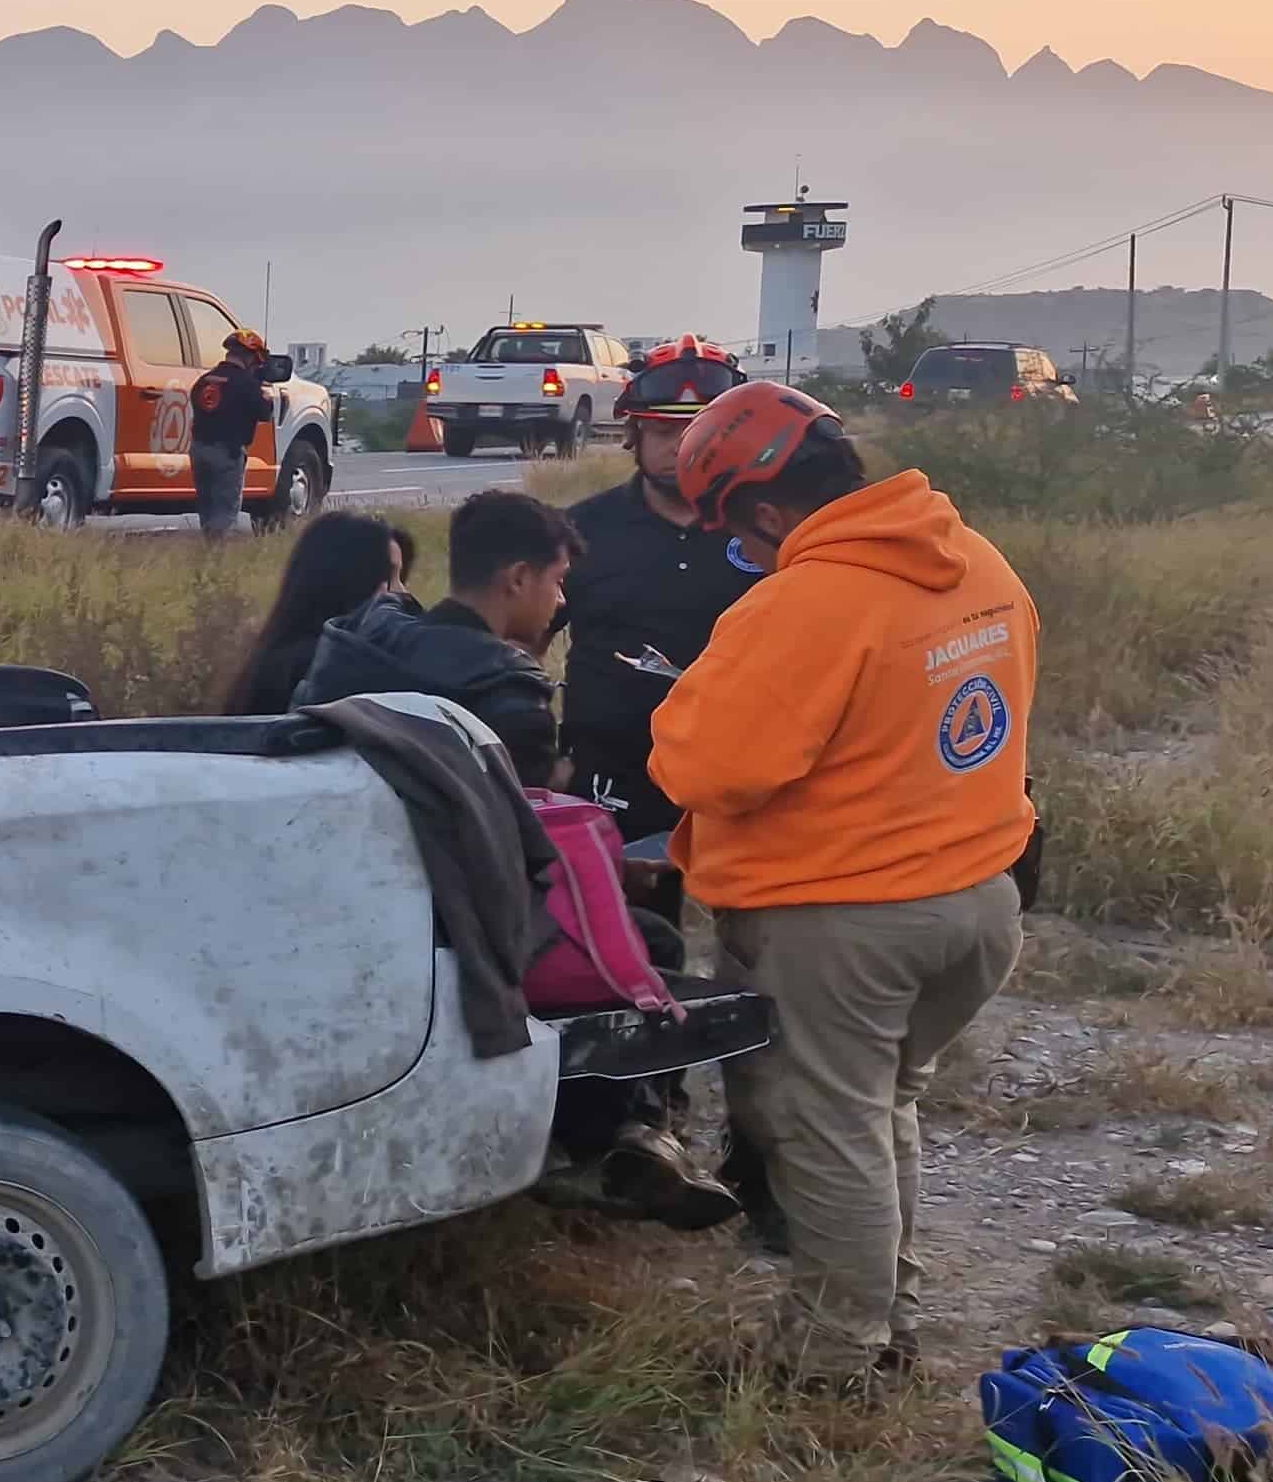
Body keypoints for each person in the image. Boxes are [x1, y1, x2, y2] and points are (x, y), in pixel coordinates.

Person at [650, 382, 1037, 1390]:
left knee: (829, 1132)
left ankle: (827, 1364)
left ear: (767, 511)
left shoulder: (805, 600)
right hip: (979, 898)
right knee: (881, 1109)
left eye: (735, 526)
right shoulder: (974, 561)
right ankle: (889, 1323)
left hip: (844, 917)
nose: (741, 546)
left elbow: (710, 768)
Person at [559, 338, 761, 846]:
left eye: (699, 430)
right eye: (664, 429)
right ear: (633, 433)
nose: (681, 445)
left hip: (746, 789)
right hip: (610, 788)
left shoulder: (771, 530)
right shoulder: (578, 530)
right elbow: (514, 644)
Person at [293, 489, 580, 787]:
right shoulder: (511, 695)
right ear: (518, 578)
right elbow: (529, 816)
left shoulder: (357, 640)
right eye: (557, 581)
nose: (560, 599)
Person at [221, 511, 414, 715]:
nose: (403, 592)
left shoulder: (277, 663)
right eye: (388, 576)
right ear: (349, 581)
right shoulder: (327, 675)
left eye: (401, 577)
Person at [189, 327, 286, 540]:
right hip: (228, 452)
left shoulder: (204, 381)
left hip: (199, 449)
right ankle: (217, 559)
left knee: (207, 508)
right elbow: (264, 413)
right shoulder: (246, 384)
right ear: (251, 357)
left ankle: (208, 550)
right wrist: (262, 391)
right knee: (225, 514)